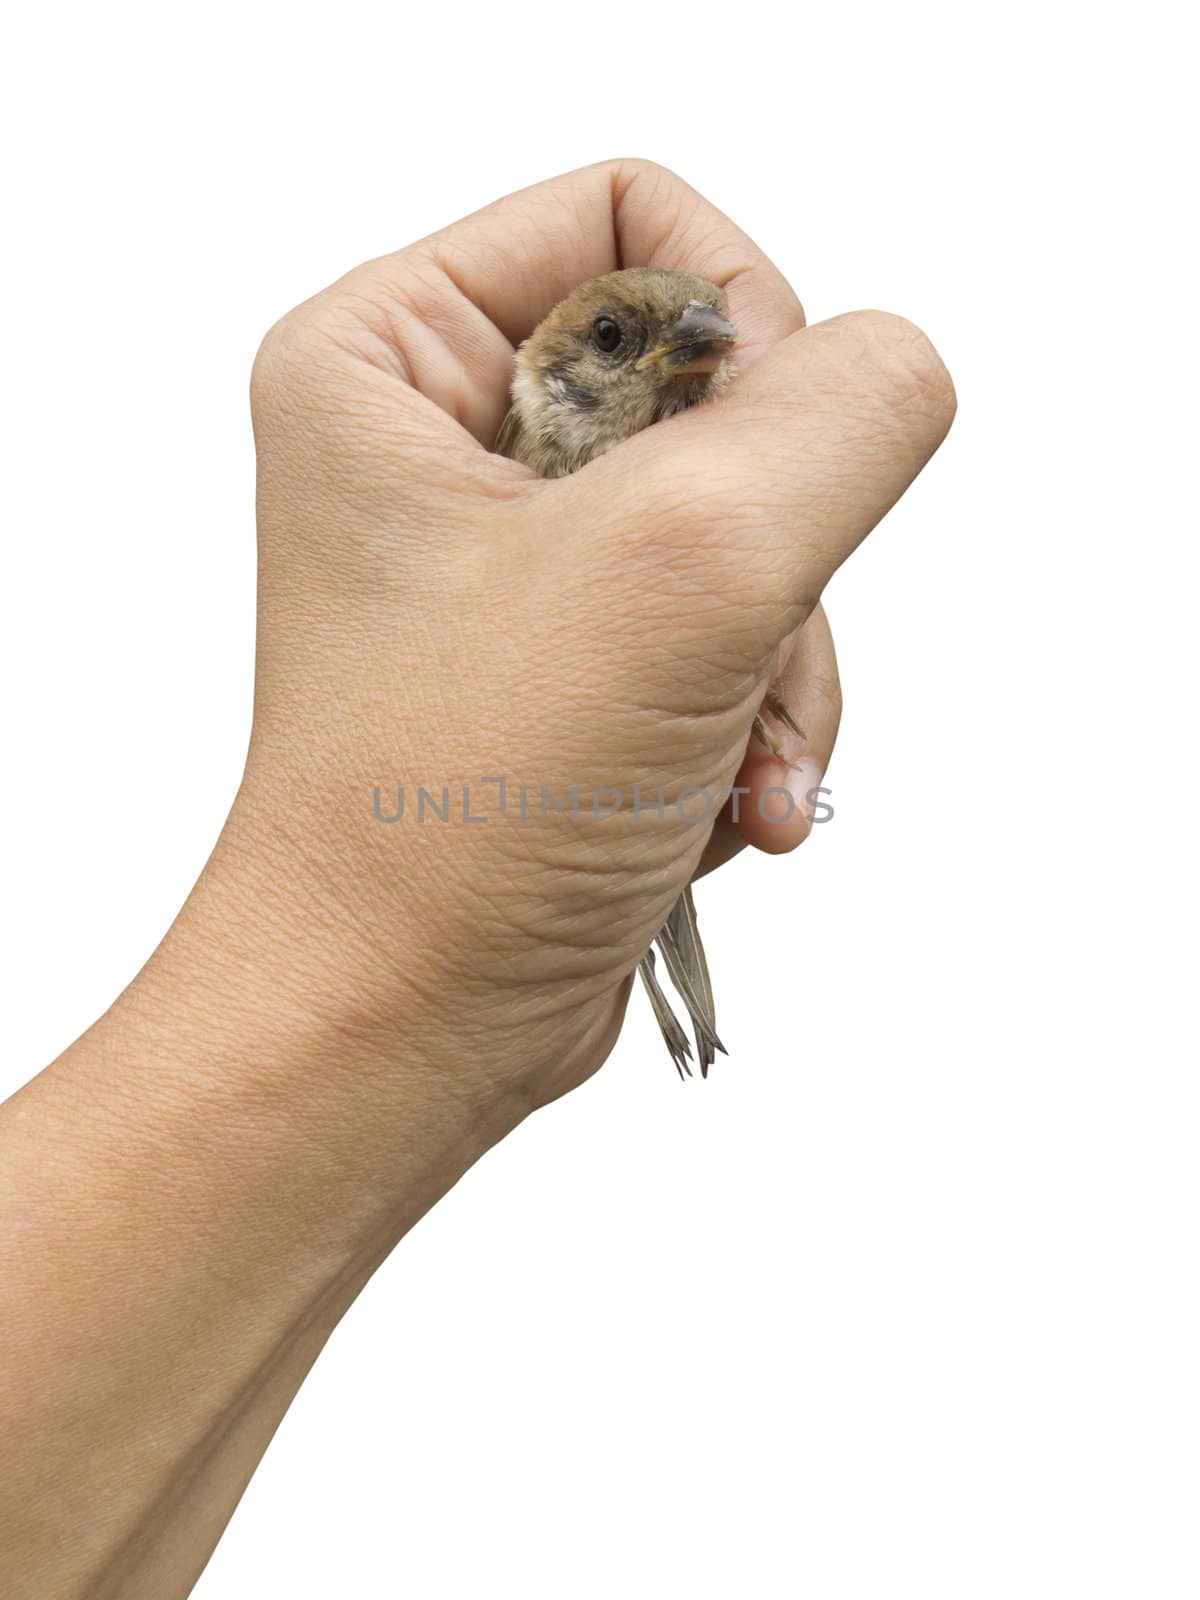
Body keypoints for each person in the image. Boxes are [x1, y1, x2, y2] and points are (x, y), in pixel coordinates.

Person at [0, 160, 955, 1596]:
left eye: (694, 333)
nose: (681, 352)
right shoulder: (511, 478)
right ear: (562, 373)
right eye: (625, 342)